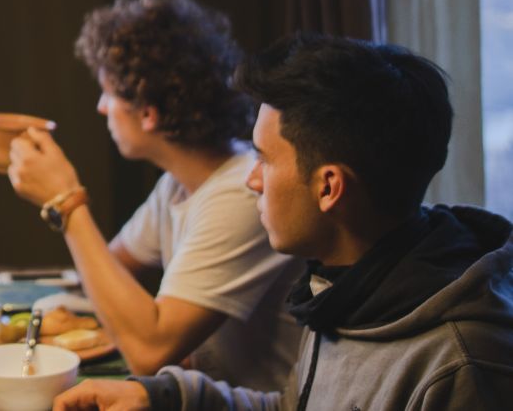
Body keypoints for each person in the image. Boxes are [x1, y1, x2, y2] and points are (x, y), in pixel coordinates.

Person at [54, 33, 513, 411]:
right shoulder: (346, 285)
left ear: (329, 187)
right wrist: (162, 396)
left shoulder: (462, 366)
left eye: (264, 158)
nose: (251, 180)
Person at [9, 0, 303, 391]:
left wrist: (66, 202)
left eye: (109, 93)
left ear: (149, 111)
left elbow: (149, 352)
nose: (100, 107)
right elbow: (110, 272)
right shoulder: (178, 184)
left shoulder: (241, 193)